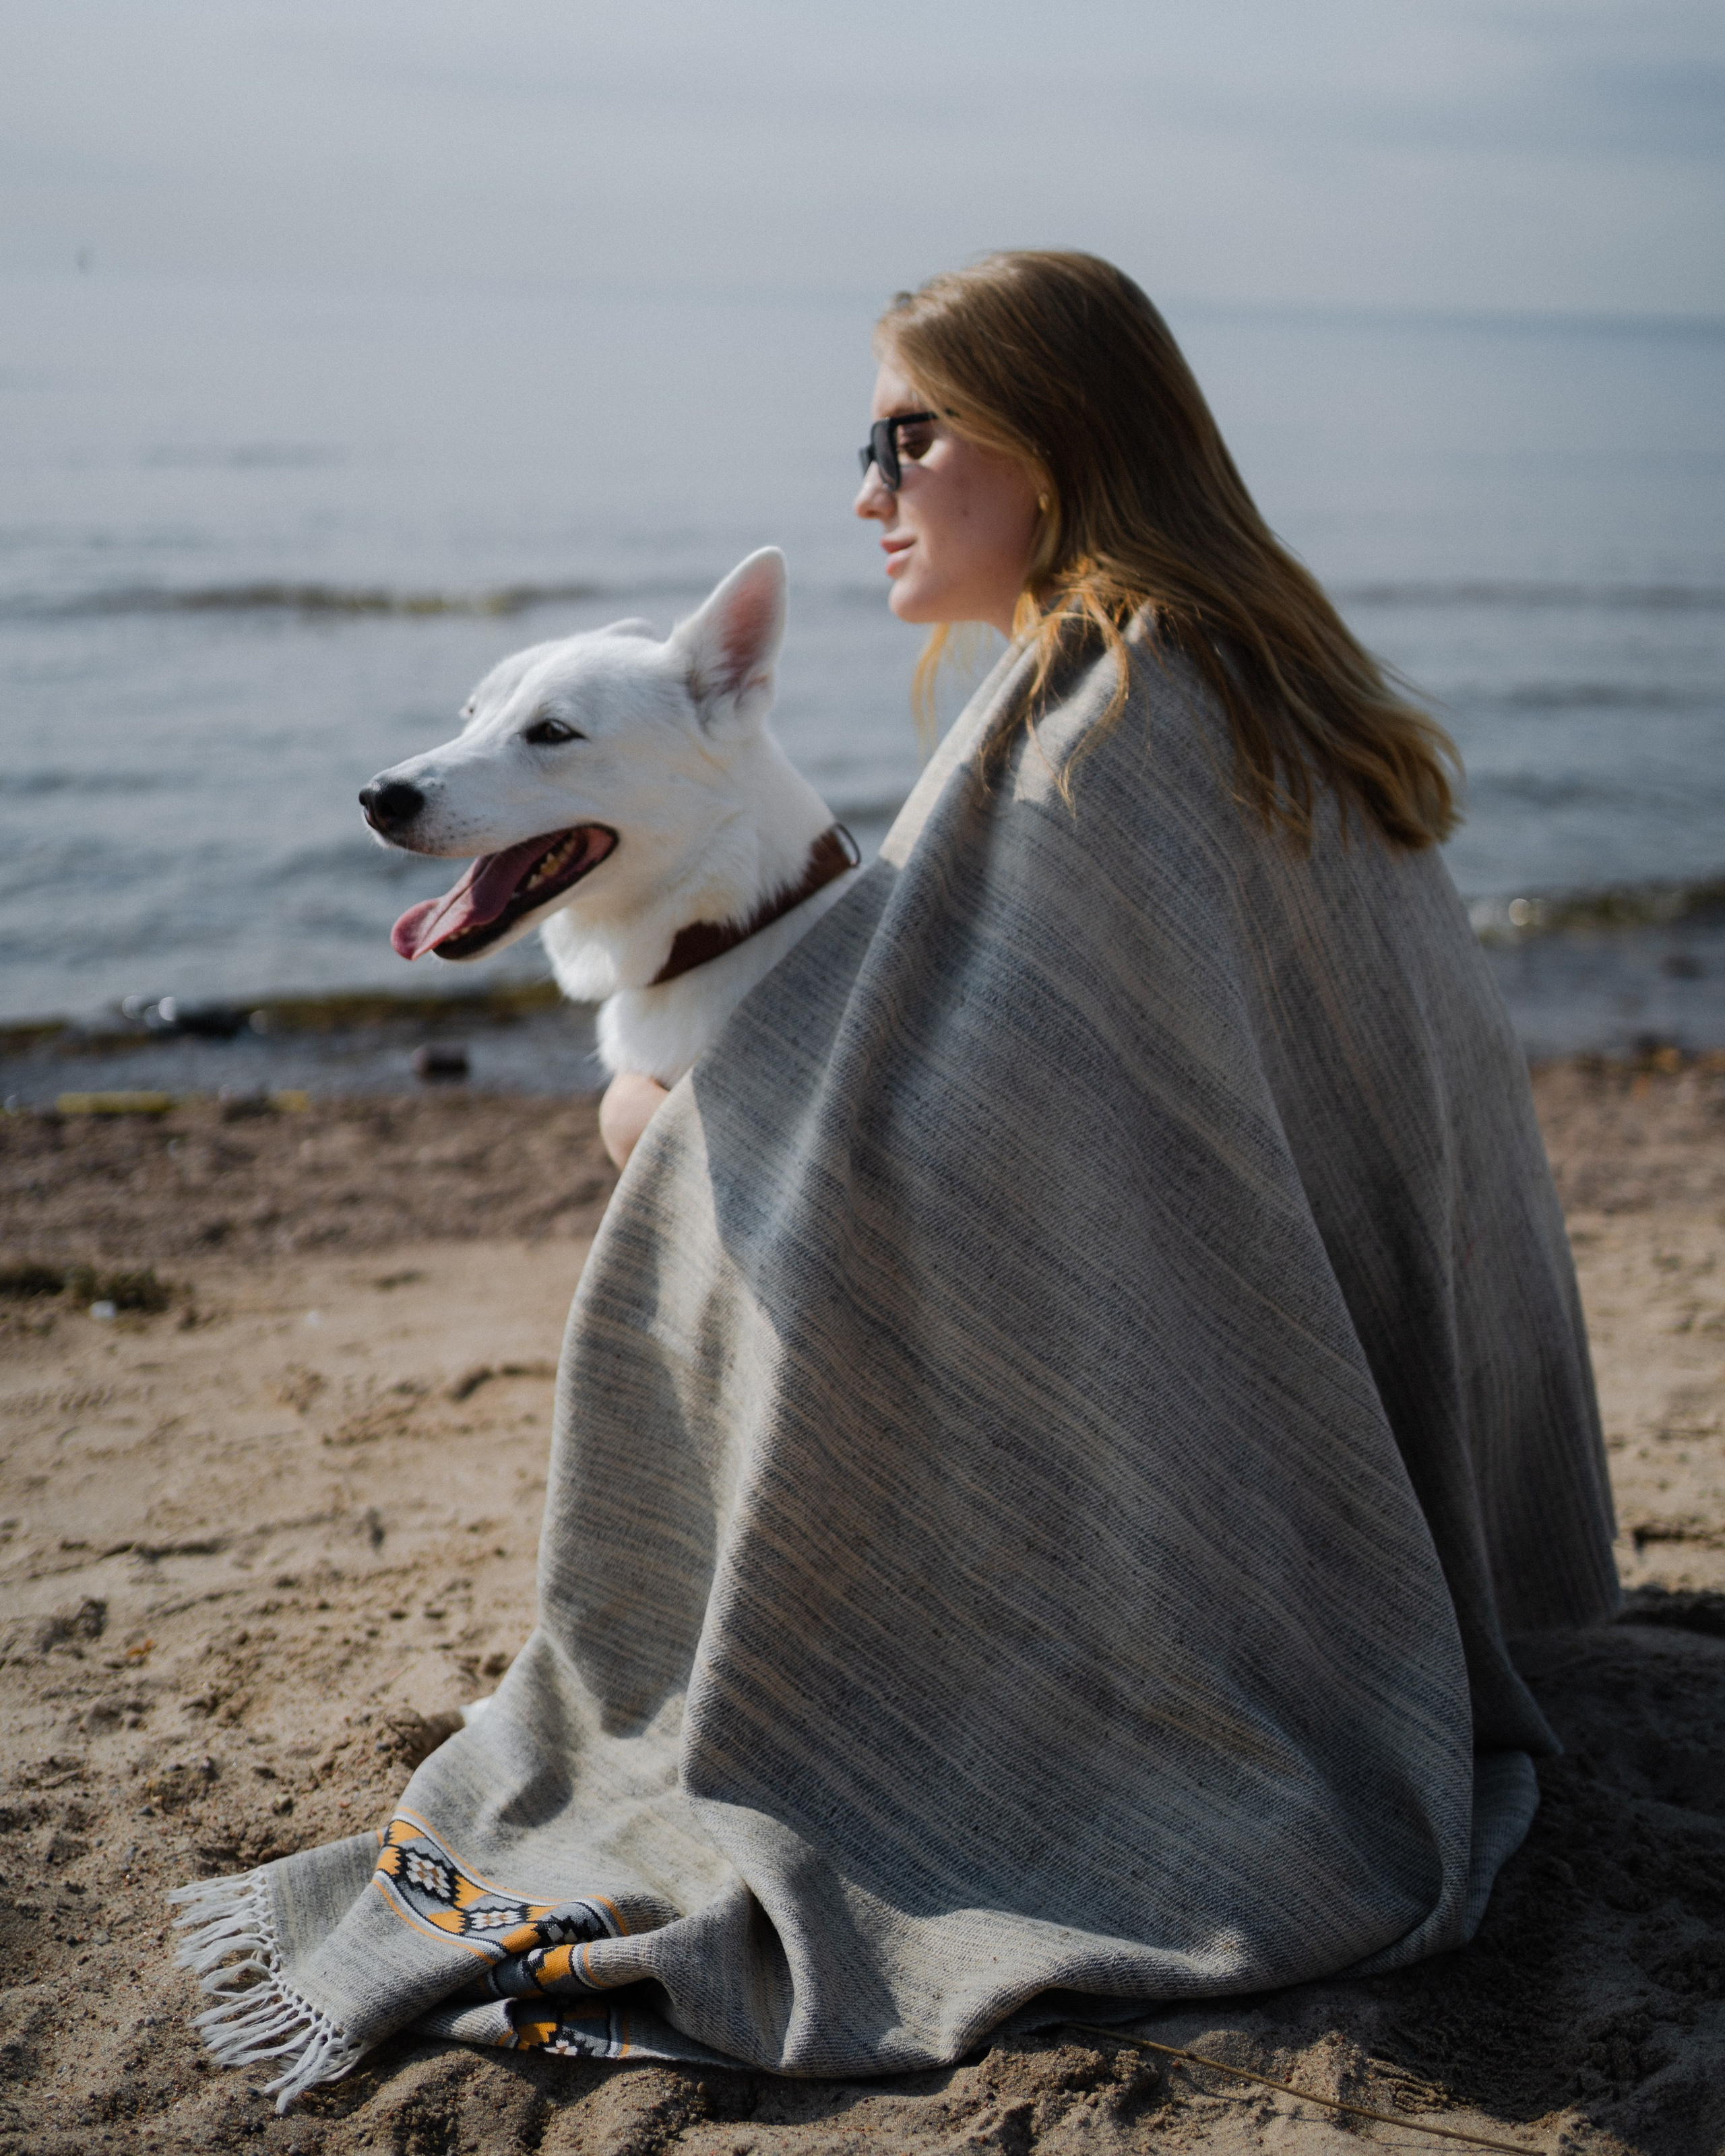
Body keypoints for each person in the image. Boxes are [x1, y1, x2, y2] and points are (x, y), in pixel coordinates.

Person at [174, 253, 1618, 2107]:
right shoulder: (1243, 677)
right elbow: (1097, 1137)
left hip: (1205, 1534)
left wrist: (658, 1133)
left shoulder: (1095, 728)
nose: (867, 490)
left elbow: (967, 1182)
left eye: (908, 435)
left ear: (1057, 444)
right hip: (1373, 1487)